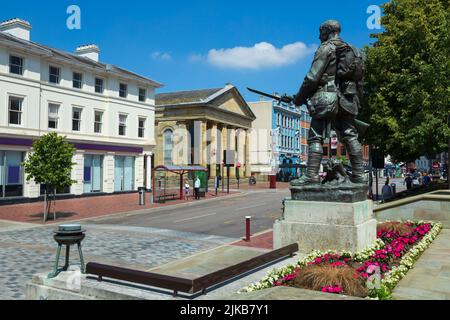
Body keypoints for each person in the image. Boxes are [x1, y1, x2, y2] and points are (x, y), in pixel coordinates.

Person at [290, 20, 366, 186]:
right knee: (350, 136)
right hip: (348, 100)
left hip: (327, 97)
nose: (319, 36)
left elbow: (312, 78)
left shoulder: (326, 48)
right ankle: (360, 175)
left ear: (327, 31)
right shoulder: (355, 51)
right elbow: (360, 82)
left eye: (321, 32)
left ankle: (311, 176)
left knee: (315, 137)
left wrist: (298, 98)